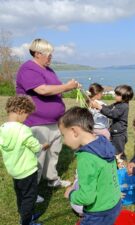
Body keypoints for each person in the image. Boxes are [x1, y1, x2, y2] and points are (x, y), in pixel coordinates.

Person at [15, 38, 79, 192]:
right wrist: (66, 87)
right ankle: (31, 190)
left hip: (53, 121)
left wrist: (67, 87)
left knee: (53, 153)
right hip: (36, 122)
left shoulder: (48, 69)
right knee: (37, 157)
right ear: (37, 54)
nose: (51, 57)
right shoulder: (28, 69)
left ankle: (52, 179)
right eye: (48, 54)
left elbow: (55, 87)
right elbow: (42, 90)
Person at [60, 107, 122, 225]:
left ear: (74, 131)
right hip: (115, 204)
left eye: (63, 135)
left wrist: (71, 194)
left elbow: (87, 197)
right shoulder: (104, 142)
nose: (64, 141)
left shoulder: (86, 158)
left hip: (98, 213)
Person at [0, 96, 48, 225]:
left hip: (15, 171)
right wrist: (43, 146)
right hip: (27, 171)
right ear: (21, 111)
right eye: (27, 114)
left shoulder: (2, 128)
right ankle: (26, 221)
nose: (27, 118)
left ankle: (26, 214)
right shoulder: (23, 129)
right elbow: (35, 147)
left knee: (21, 195)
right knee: (29, 197)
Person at [94, 85, 134, 165]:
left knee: (119, 153)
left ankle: (123, 168)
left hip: (119, 135)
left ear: (124, 97)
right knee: (115, 151)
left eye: (117, 94)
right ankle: (116, 166)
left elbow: (112, 114)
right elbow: (108, 108)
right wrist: (99, 106)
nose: (115, 95)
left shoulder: (124, 106)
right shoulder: (117, 103)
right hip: (115, 133)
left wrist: (100, 108)